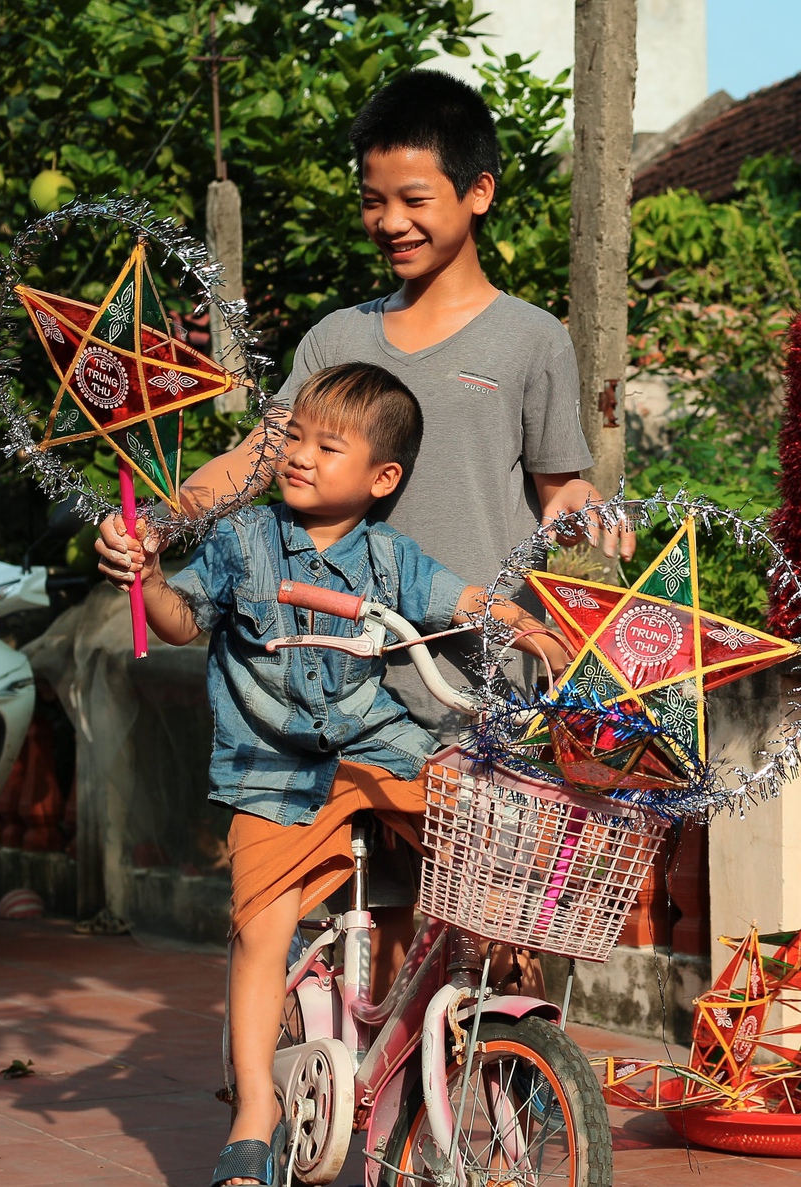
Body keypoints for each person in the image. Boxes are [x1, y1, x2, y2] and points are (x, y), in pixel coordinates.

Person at [100, 363, 570, 1187]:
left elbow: (455, 597)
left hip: (373, 744)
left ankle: (498, 1031)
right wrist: (147, 578)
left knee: (483, 840)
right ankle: (253, 1110)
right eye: (294, 438)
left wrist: (522, 624)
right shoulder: (241, 540)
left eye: (328, 444)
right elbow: (179, 621)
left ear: (382, 477)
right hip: (267, 762)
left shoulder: (388, 557)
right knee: (260, 928)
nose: (300, 456)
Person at [99, 67, 630, 731]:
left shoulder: (531, 338)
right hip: (334, 682)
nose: (390, 222)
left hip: (480, 684)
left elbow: (559, 491)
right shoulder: (337, 338)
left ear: (479, 192)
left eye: (413, 199)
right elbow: (257, 457)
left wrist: (580, 506)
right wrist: (159, 523)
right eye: (372, 201)